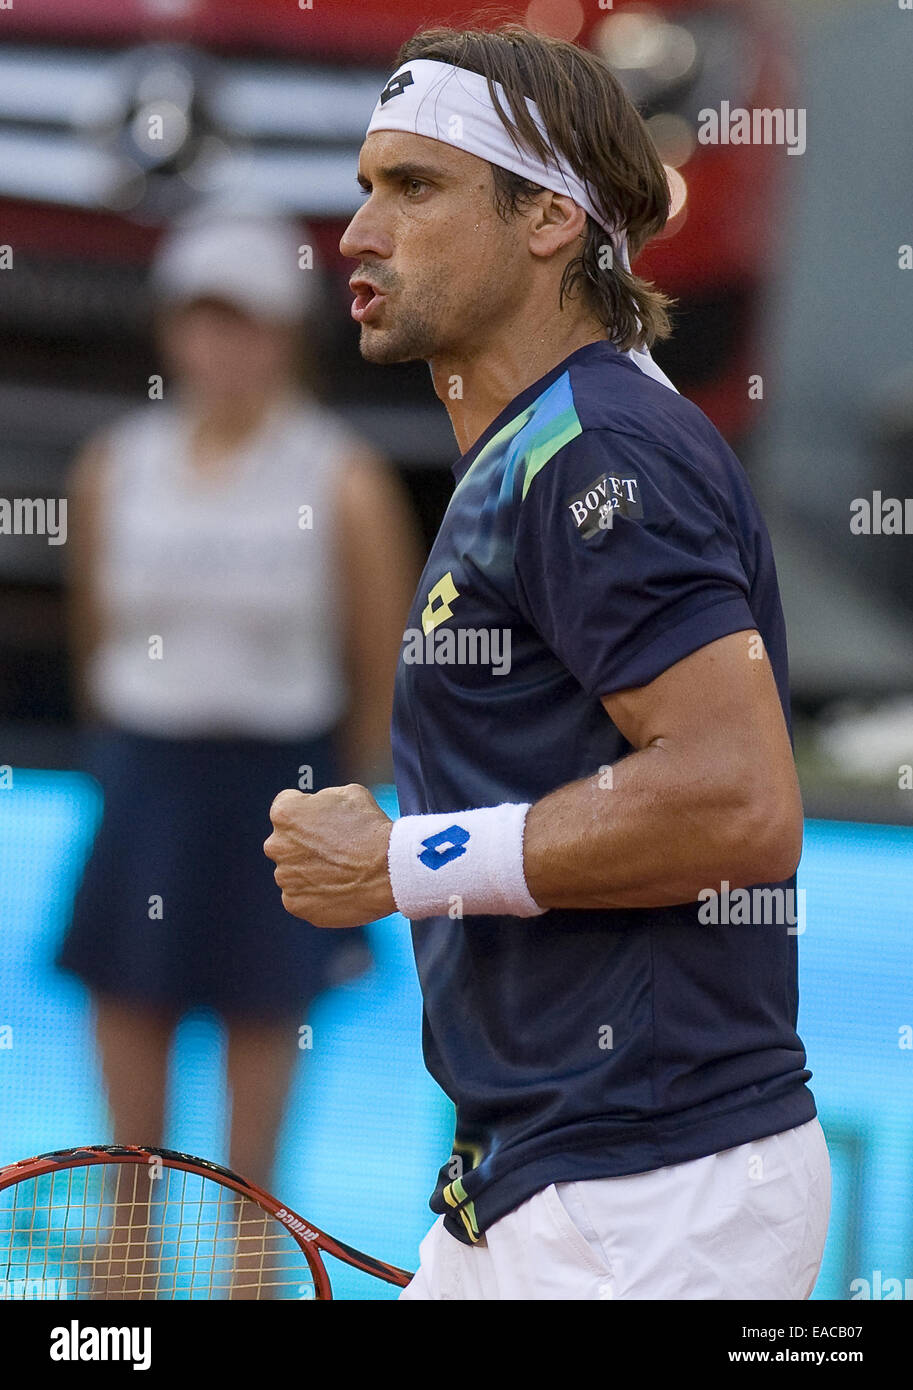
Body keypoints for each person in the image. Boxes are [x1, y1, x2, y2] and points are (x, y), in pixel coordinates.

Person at [264, 26, 831, 1300]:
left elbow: (740, 802)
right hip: (548, 1179)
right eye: (364, 186)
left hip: (650, 1196)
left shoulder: (597, 457)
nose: (357, 231)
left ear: (551, 221)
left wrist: (397, 860)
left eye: (413, 187)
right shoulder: (540, 453)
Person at [58, 207, 422, 1197]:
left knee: (252, 1182)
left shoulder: (343, 478)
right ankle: (120, 1323)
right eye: (206, 319)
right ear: (174, 328)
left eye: (248, 321)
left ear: (285, 333)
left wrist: (336, 813)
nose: (225, 346)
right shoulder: (114, 468)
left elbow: (377, 671)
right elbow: (97, 638)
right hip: (147, 785)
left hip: (277, 794)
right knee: (123, 1166)